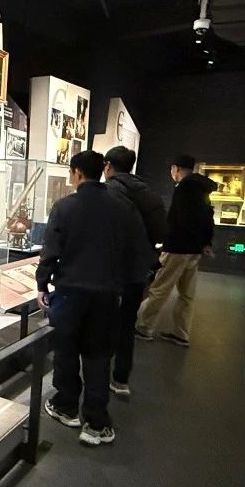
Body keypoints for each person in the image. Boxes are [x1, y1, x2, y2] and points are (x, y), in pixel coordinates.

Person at [37, 150, 146, 446]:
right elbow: (135, 251)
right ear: (102, 170)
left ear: (76, 173)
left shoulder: (64, 207)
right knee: (98, 356)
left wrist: (42, 284)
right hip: (107, 296)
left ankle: (66, 406)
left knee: (66, 350)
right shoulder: (122, 207)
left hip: (70, 292)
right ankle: (96, 423)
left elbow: (51, 251)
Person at [103, 146, 168, 396]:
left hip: (110, 269)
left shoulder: (108, 192)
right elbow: (161, 232)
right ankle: (120, 379)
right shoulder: (148, 193)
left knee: (103, 323)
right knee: (127, 324)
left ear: (108, 165)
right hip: (137, 269)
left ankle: (98, 377)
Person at [136, 154, 217, 347]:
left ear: (176, 169)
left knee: (159, 288)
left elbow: (177, 220)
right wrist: (205, 243)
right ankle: (181, 333)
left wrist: (165, 239)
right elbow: (208, 217)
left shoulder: (184, 188)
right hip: (194, 250)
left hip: (177, 248)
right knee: (187, 294)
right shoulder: (201, 188)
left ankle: (145, 327)